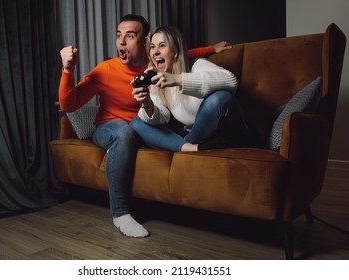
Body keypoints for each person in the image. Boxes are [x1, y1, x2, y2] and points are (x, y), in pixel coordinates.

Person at [58, 14, 230, 238]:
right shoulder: (105, 70)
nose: (121, 42)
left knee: (144, 125)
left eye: (129, 36)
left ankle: (192, 146)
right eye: (119, 36)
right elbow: (68, 104)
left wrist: (211, 49)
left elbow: (182, 53)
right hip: (110, 128)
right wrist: (68, 69)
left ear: (145, 42)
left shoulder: (155, 64)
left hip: (147, 125)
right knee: (125, 131)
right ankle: (120, 214)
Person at [130, 26, 249, 152]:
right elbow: (163, 117)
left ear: (176, 51)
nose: (155, 52)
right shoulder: (158, 80)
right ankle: (190, 148)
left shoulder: (197, 65)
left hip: (224, 133)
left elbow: (231, 80)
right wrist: (147, 103)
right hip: (199, 138)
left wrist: (178, 79)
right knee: (137, 122)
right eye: (152, 47)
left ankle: (184, 145)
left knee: (219, 98)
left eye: (162, 45)